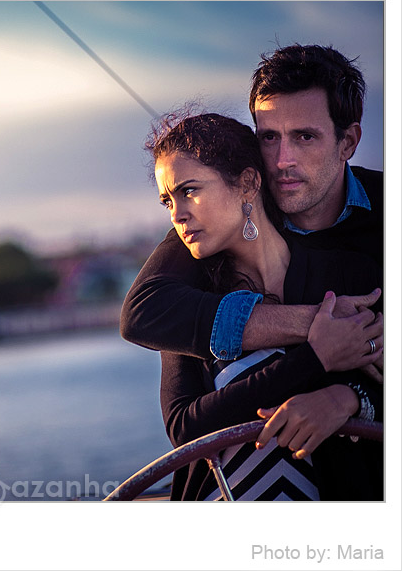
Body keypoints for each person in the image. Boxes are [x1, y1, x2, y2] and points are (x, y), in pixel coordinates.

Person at [120, 44, 383, 454]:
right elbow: (143, 313)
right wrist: (316, 324)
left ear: (348, 141)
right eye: (269, 137)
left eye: (305, 137)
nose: (281, 161)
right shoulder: (221, 220)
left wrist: (348, 398)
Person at [147, 112, 382, 500]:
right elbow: (184, 428)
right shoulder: (191, 299)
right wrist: (314, 358)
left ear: (248, 183)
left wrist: (346, 399)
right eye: (167, 200)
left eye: (189, 191)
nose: (177, 214)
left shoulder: (348, 274)